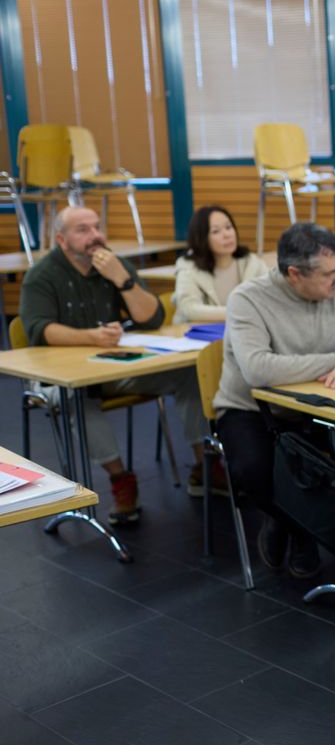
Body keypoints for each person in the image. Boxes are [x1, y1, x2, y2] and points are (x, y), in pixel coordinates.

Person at [214, 222, 335, 579]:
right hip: (251, 410)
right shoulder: (248, 299)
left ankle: (300, 519)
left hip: (316, 406)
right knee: (254, 469)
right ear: (294, 274)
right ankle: (297, 527)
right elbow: (257, 369)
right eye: (331, 274)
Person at [18, 206, 214, 524]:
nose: (95, 236)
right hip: (63, 375)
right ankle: (120, 479)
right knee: (77, 400)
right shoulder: (42, 275)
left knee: (189, 373)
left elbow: (151, 317)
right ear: (61, 239)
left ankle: (205, 467)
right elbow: (39, 329)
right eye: (83, 230)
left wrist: (121, 280)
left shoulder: (112, 264)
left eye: (97, 227)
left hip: (115, 368)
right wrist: (90, 337)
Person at [173, 206, 268, 323]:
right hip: (196, 335)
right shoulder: (188, 266)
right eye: (216, 231)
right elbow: (189, 308)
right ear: (202, 238)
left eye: (228, 227)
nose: (227, 235)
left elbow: (271, 298)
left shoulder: (251, 262)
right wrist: (238, 312)